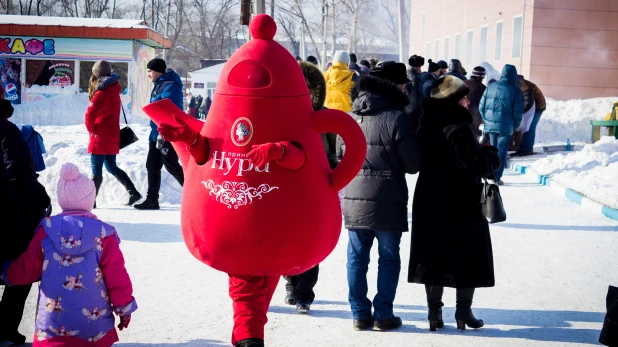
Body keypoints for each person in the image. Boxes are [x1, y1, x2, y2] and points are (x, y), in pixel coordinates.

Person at [1, 163, 138, 346]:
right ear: (89, 200)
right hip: (94, 327)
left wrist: (6, 272)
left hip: (52, 325)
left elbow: (28, 267)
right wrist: (124, 308)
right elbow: (117, 276)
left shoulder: (46, 231)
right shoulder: (104, 235)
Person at [409, 75, 501, 333]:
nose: (468, 100)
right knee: (467, 253)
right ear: (452, 100)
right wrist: (491, 154)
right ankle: (463, 311)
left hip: (429, 198)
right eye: (463, 96)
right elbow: (477, 166)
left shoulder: (425, 124)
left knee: (433, 254)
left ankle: (434, 314)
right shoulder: (458, 126)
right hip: (460, 200)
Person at [340, 61, 421, 332]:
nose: (405, 88)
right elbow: (412, 164)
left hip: (353, 197)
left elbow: (341, 157)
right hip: (389, 199)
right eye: (402, 84)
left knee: (356, 258)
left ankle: (359, 315)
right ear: (392, 86)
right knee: (388, 258)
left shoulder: (350, 116)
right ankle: (383, 315)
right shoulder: (398, 118)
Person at [282, 61, 334, 314]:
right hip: (284, 189)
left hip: (314, 188)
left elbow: (333, 154)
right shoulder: (279, 115)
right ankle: (291, 284)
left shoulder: (322, 116)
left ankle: (304, 292)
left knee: (311, 241)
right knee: (285, 239)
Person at [0, 98, 51, 345]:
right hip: (14, 218)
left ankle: (5, 329)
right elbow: (22, 174)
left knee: (21, 269)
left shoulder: (7, 132)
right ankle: (5, 328)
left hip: (13, 215)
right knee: (22, 271)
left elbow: (20, 174)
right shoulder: (8, 131)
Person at [86, 60, 142, 208]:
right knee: (111, 167)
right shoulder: (114, 89)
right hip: (112, 135)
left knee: (96, 171)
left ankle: (91, 202)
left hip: (100, 136)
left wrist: (91, 129)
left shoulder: (101, 93)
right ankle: (133, 192)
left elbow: (89, 115)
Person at [134, 58, 185, 210]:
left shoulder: (171, 87)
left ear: (157, 71)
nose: (148, 74)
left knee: (172, 166)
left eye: (149, 71)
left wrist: (164, 134)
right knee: (152, 165)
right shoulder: (159, 85)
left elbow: (171, 112)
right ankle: (152, 200)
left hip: (166, 134)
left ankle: (196, 192)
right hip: (155, 133)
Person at [479, 64, 522, 185]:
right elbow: (517, 112)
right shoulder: (515, 90)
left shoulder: (491, 86)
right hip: (506, 126)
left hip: (490, 125)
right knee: (501, 151)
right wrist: (515, 125)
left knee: (493, 149)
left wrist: (486, 120)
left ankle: (490, 174)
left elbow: (481, 106)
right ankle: (497, 178)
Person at [515, 77, 546, 156]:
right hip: (531, 106)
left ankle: (528, 149)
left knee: (530, 127)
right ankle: (523, 149)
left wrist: (519, 112)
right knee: (525, 127)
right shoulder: (517, 83)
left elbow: (528, 102)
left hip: (538, 107)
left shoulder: (524, 86)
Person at [512, 75, 536, 151]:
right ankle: (516, 145)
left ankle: (520, 146)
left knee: (522, 128)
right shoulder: (520, 88)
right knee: (517, 127)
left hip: (527, 111)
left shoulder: (526, 89)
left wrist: (519, 112)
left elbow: (528, 103)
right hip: (522, 110)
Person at [464, 66, 487, 137]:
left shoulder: (462, 83)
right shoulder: (482, 87)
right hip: (474, 116)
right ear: (481, 77)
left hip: (460, 114)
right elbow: (483, 104)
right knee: (472, 135)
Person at [406, 55, 425, 130]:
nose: (420, 69)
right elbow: (415, 93)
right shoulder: (415, 77)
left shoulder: (407, 73)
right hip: (414, 106)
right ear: (416, 67)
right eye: (419, 67)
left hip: (408, 105)